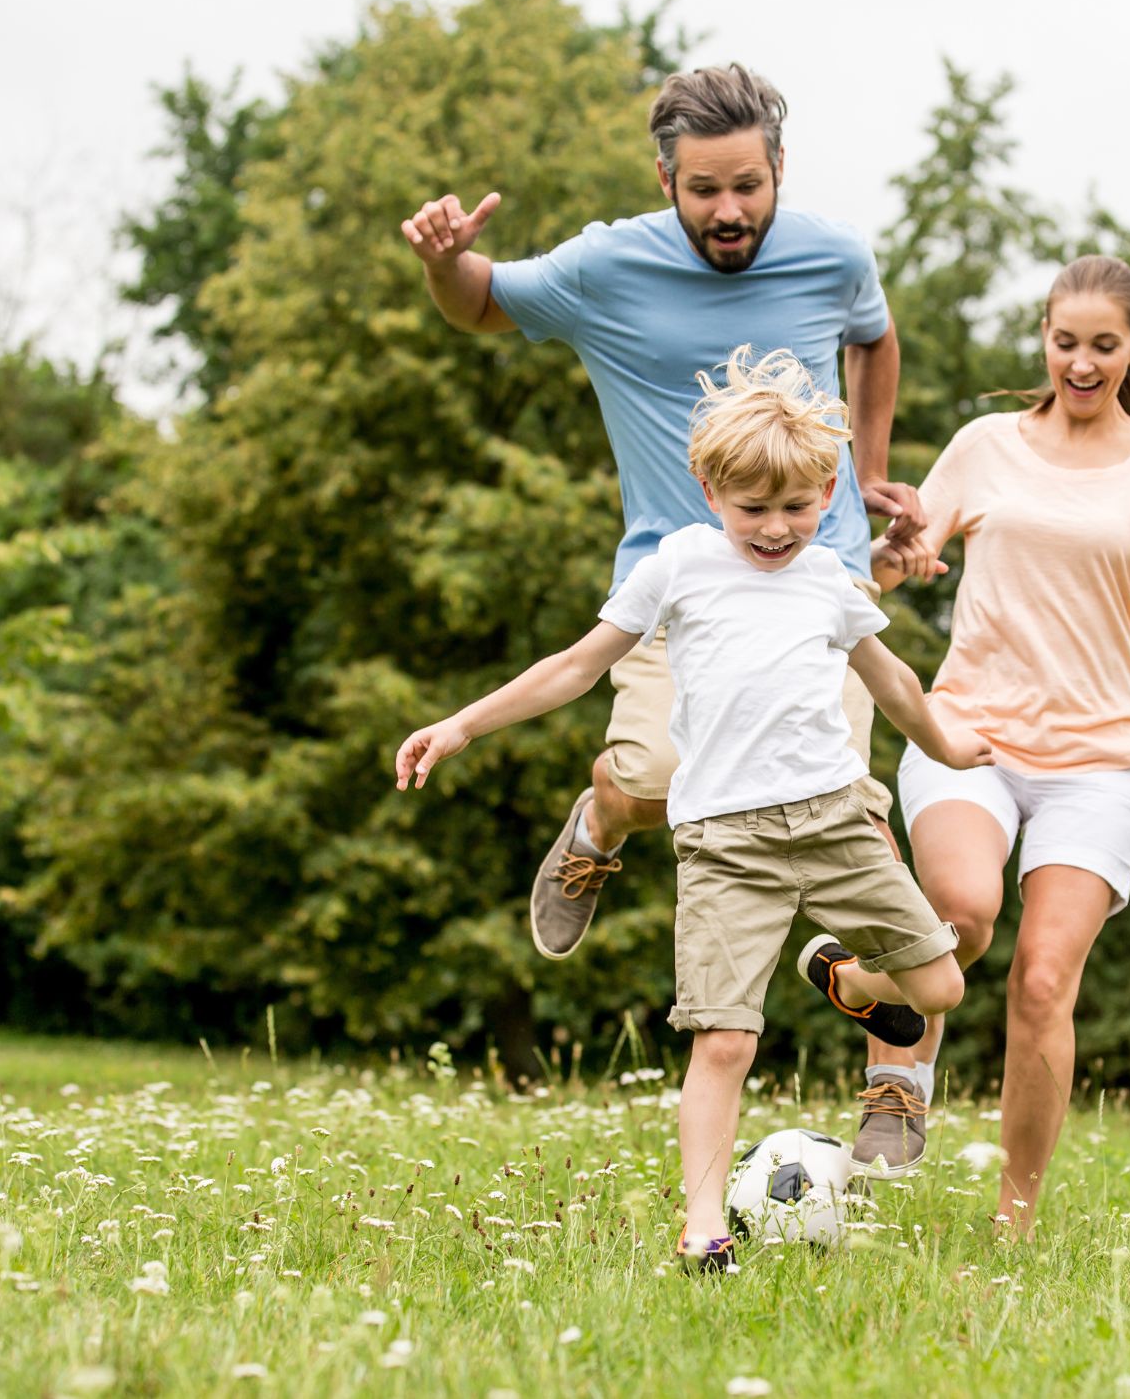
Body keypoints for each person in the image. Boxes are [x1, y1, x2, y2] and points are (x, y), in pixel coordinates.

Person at [393, 348, 987, 1269]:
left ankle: (844, 976)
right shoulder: (679, 567)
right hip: (725, 845)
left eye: (797, 508)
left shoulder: (831, 580)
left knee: (940, 985)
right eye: (754, 509)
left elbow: (896, 683)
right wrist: (463, 725)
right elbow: (576, 666)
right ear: (709, 489)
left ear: (828, 490)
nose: (777, 528)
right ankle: (703, 1225)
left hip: (833, 825)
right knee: (722, 1042)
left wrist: (952, 747)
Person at [399, 63, 920, 961]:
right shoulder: (607, 267)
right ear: (665, 179)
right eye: (705, 188)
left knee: (855, 820)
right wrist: (446, 263)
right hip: (675, 592)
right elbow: (479, 302)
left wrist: (866, 472)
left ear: (780, 168)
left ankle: (896, 1088)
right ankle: (601, 818)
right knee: (658, 783)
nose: (729, 211)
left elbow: (872, 334)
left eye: (747, 186)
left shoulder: (834, 256)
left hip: (818, 577)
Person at [865, 256, 1130, 1226]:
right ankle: (896, 1079)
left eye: (1102, 346)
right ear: (1043, 337)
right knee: (961, 906)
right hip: (971, 731)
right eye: (1063, 341)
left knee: (1042, 979)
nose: (1080, 362)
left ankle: (1015, 1215)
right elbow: (901, 560)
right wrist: (895, 557)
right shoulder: (986, 443)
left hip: (1097, 760)